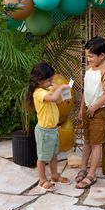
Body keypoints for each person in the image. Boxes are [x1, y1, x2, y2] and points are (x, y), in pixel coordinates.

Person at [75, 36, 105, 189]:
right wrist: (82, 108)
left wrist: (94, 107)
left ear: (102, 56)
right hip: (87, 109)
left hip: (99, 112)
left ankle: (92, 174)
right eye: (87, 56)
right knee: (86, 140)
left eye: (91, 56)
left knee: (96, 143)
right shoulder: (90, 69)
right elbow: (86, 90)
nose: (89, 59)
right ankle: (83, 168)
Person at [26, 62, 71, 192]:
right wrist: (60, 88)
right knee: (42, 157)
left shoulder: (46, 89)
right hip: (44, 132)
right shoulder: (38, 92)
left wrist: (64, 94)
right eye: (49, 80)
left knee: (53, 155)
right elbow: (52, 98)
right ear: (39, 80)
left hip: (53, 130)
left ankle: (54, 175)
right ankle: (42, 180)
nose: (52, 82)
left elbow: (56, 100)